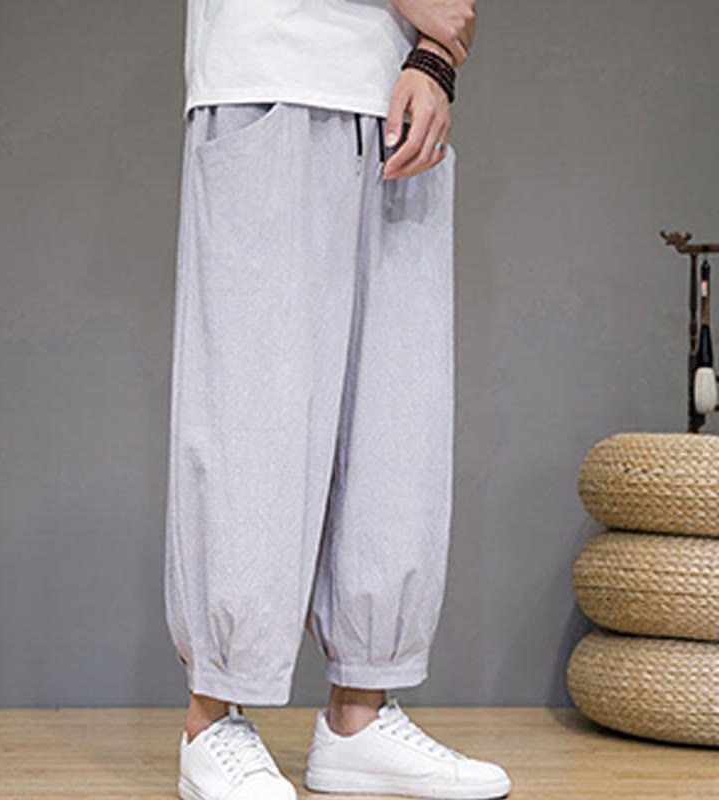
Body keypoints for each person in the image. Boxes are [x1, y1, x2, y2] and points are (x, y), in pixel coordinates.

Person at [163, 1, 512, 798]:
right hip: (273, 71)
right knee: (253, 409)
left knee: (397, 412)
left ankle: (360, 716)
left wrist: (433, 59)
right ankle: (211, 723)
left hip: (394, 93)